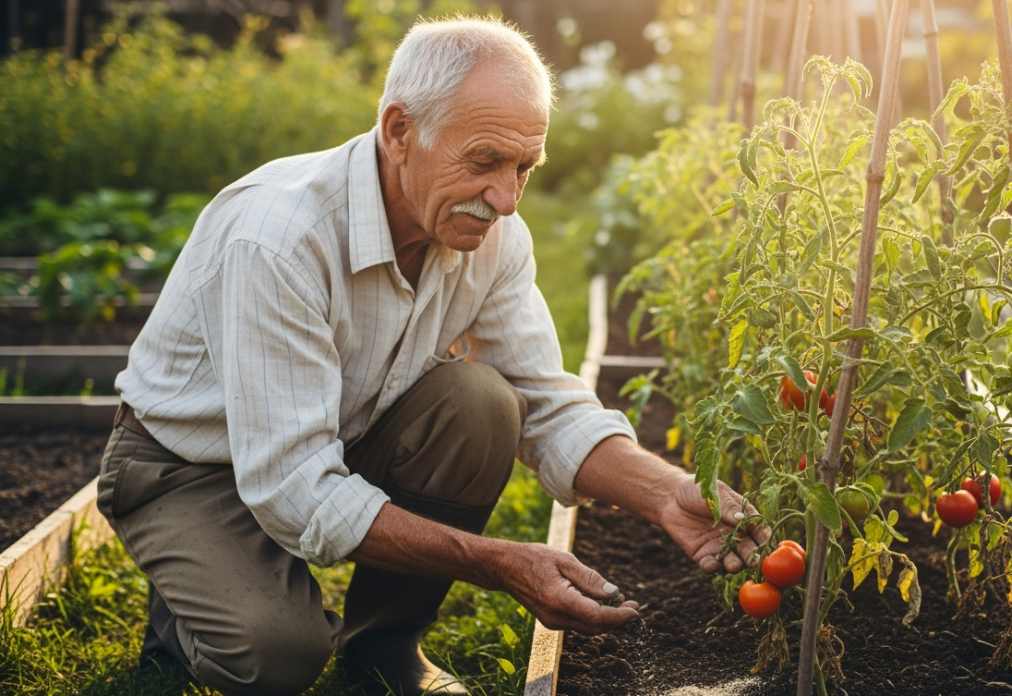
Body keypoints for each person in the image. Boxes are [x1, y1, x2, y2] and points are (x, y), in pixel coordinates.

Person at [98, 16, 765, 696]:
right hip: (188, 466)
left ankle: (386, 643)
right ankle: (182, 612)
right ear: (399, 132)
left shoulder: (490, 235)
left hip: (333, 438)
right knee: (278, 657)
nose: (506, 200)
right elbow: (293, 486)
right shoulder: (280, 239)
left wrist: (667, 494)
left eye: (524, 168)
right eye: (484, 161)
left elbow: (545, 403)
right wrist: (497, 562)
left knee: (482, 403)